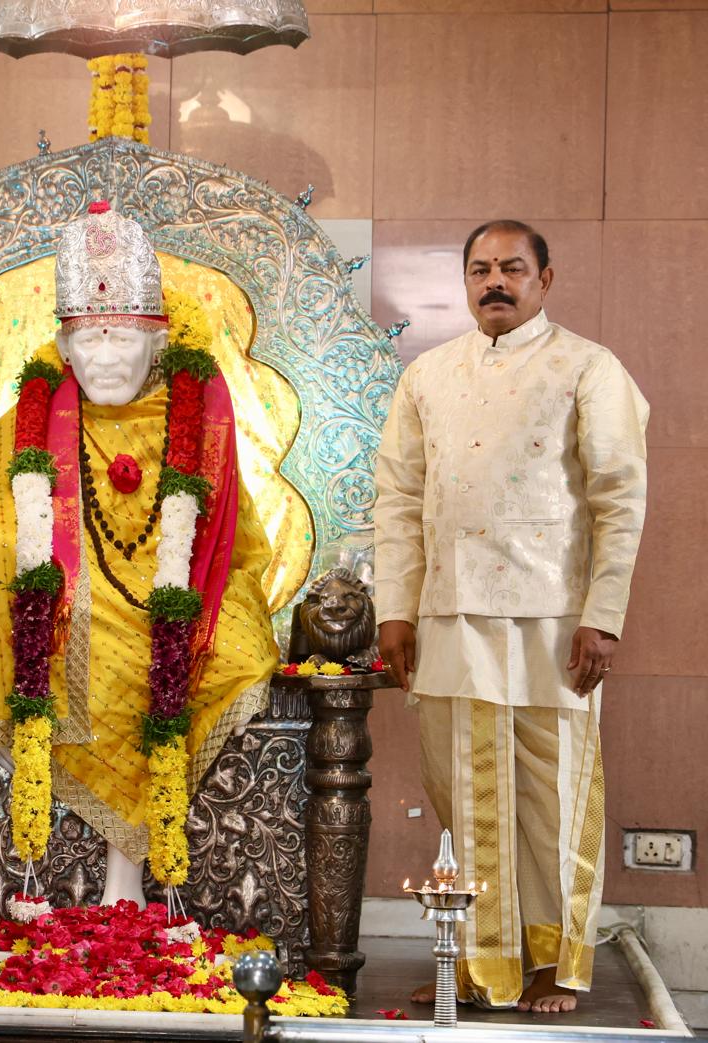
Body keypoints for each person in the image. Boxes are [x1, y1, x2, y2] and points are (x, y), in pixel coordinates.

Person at [0, 203, 278, 901]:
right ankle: (95, 878)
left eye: (120, 339)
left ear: (158, 344)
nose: (103, 359)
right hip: (74, 608)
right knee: (82, 649)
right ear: (63, 350)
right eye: (89, 341)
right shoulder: (15, 435)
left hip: (183, 603)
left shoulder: (199, 421)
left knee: (233, 654)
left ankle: (129, 876)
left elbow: (234, 538)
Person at [374, 220, 648, 1014]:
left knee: (550, 796)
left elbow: (618, 499)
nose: (496, 281)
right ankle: (476, 964)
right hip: (449, 617)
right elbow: (397, 500)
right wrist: (398, 608)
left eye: (513, 268)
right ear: (465, 282)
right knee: (462, 795)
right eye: (481, 269)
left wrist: (604, 616)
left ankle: (553, 966)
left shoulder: (588, 368)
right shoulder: (427, 375)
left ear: (545, 279)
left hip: (553, 620)